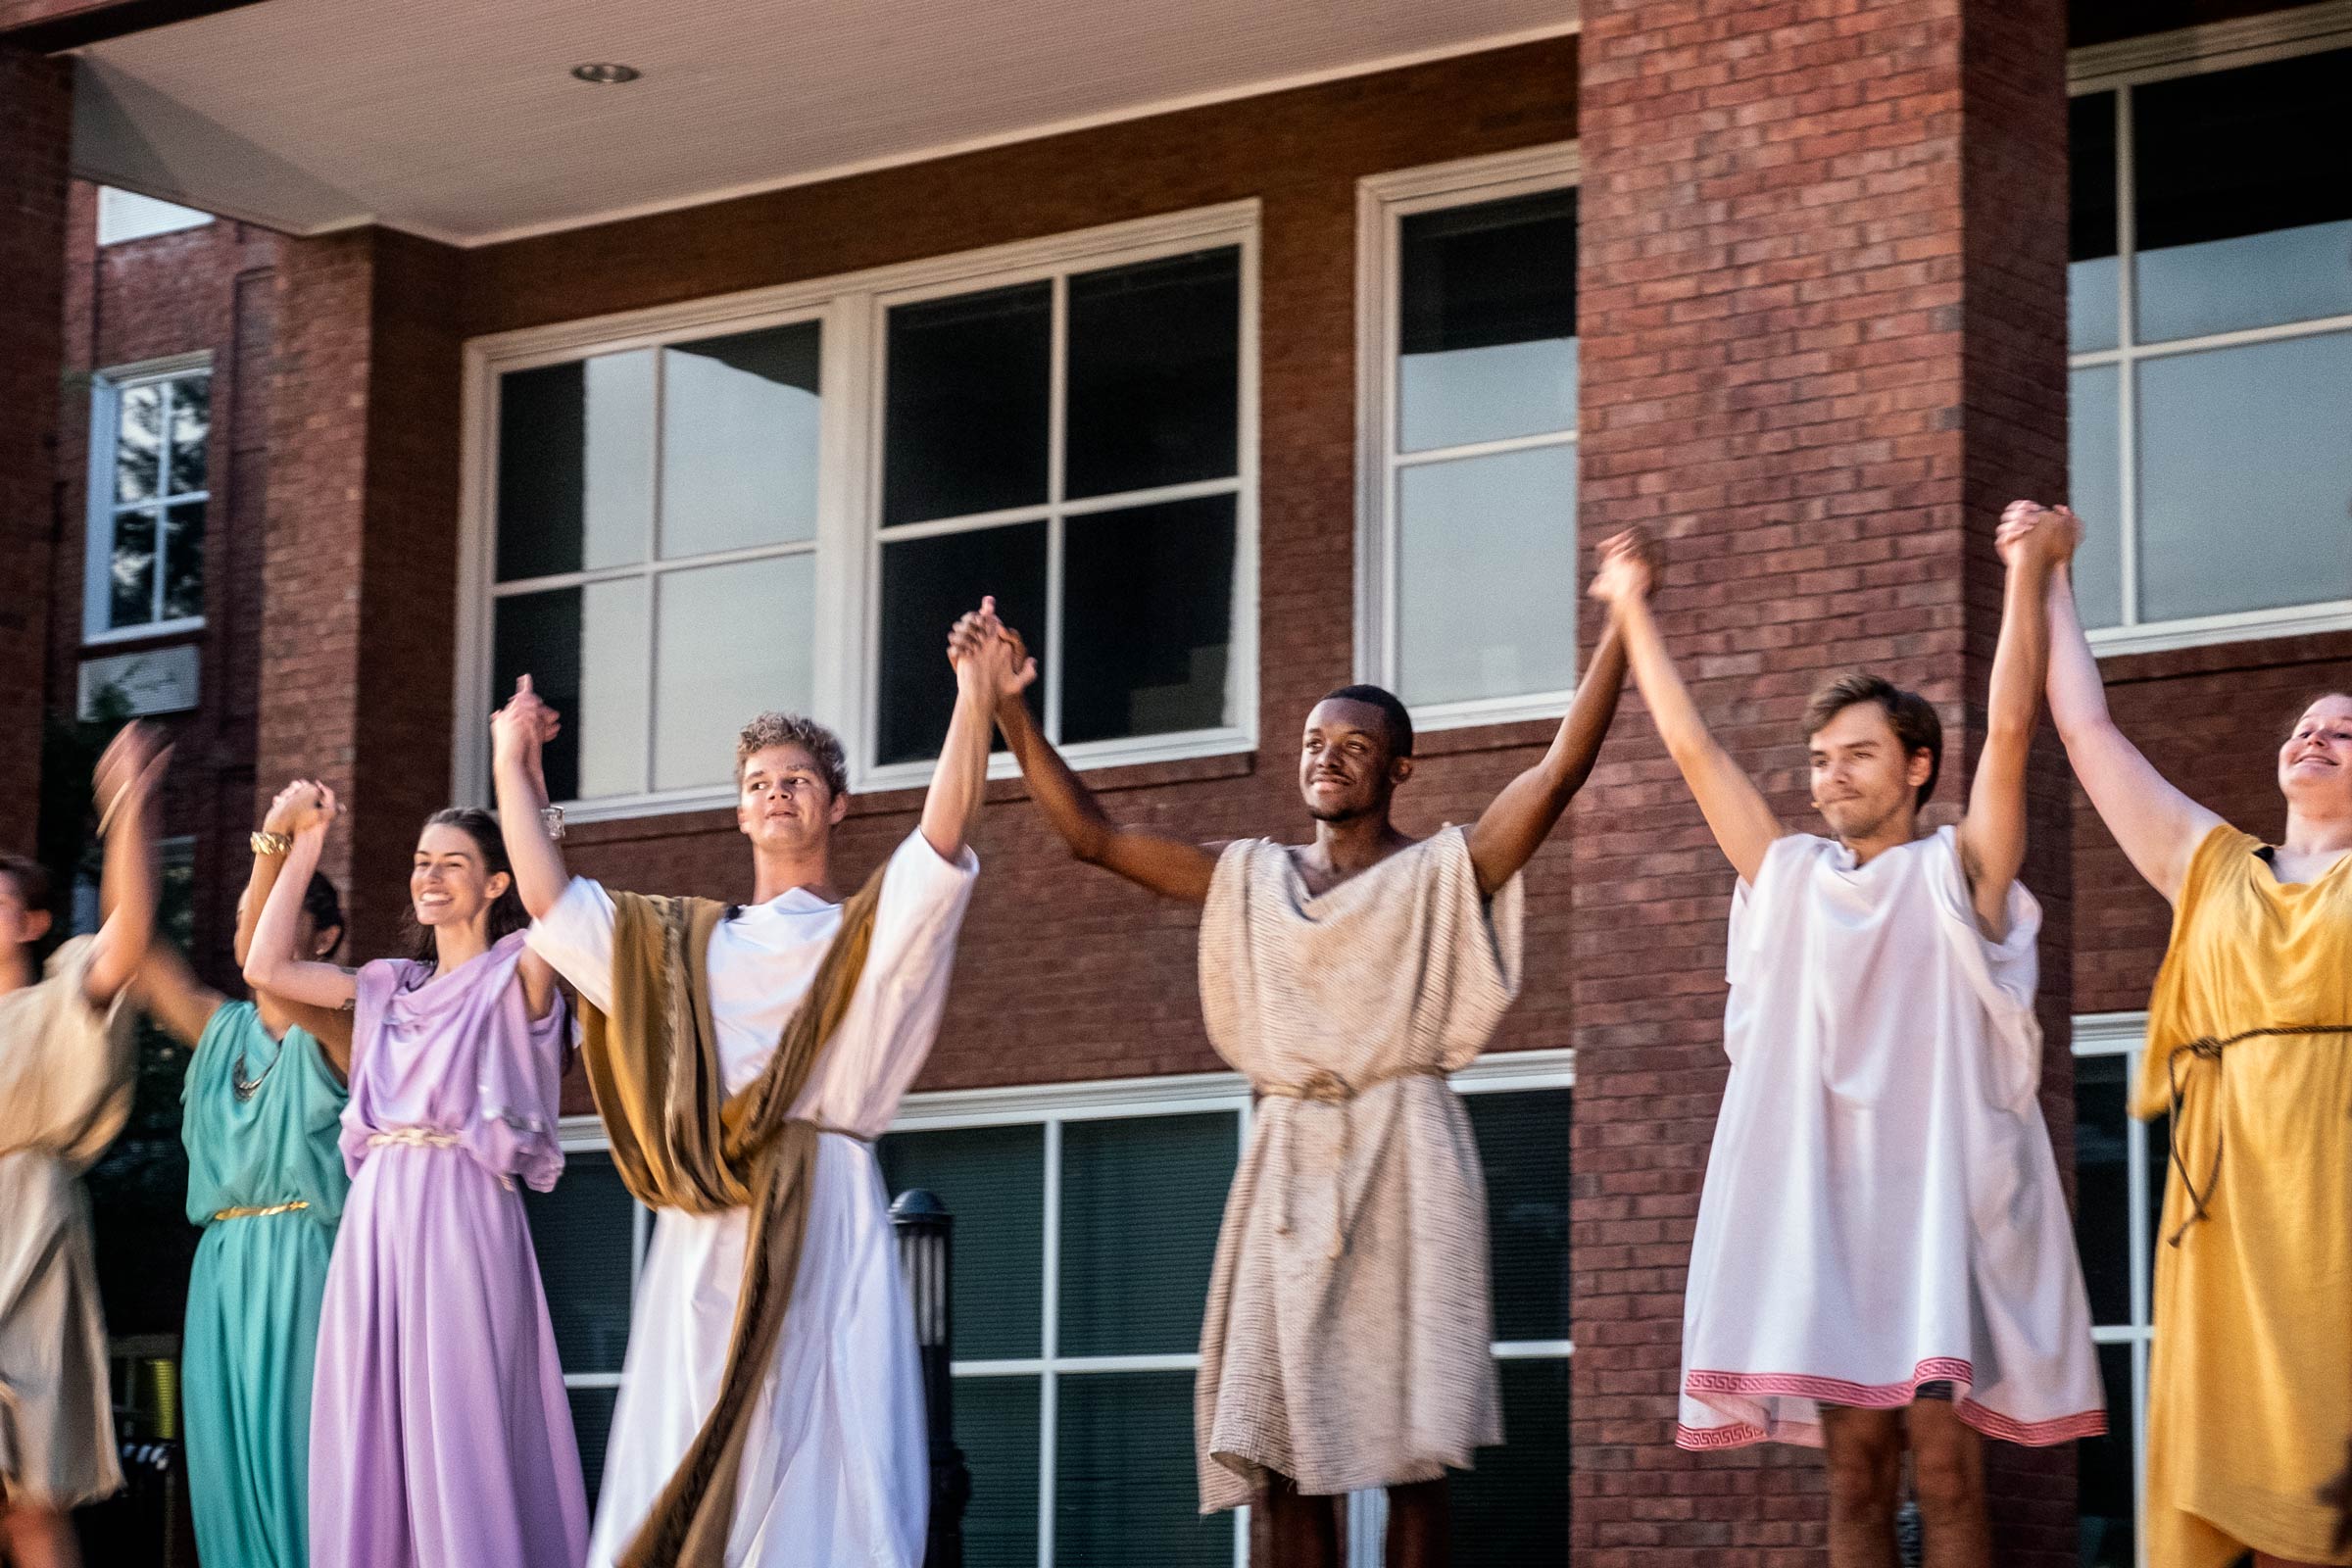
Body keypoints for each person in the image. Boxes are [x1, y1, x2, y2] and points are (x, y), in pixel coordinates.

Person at [983, 569, 1636, 1567]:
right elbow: (1093, 838)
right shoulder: (1250, 878)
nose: (1327, 761)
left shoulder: (1442, 873)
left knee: (1412, 1448)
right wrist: (1010, 709)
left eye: (1355, 748)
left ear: (1400, 769)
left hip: (1406, 1153)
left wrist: (1623, 626)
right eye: (1313, 745)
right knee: (1281, 1448)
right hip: (1292, 1160)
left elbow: (1554, 775)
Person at [1590, 510, 2103, 1568]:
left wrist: (2025, 569)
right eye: (1821, 760)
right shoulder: (1787, 881)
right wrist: (1632, 608)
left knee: (1950, 1473)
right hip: (1822, 1219)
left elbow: (2010, 731)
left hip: (1934, 1211)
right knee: (1855, 1474)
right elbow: (1691, 747)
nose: (1830, 777)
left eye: (1858, 756)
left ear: (1917, 766)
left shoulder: (1959, 875)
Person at [489, 600, 1019, 1567]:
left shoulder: (865, 936)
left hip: (826, 1218)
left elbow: (941, 843)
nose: (778, 794)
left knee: (836, 1459)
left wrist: (972, 701)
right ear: (739, 808)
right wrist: (511, 762)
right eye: (760, 782)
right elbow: (546, 900)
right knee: (685, 1445)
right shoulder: (682, 949)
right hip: (706, 1229)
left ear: (837, 804)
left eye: (800, 781)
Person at [2027, 498, 2352, 1568]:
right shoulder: (2211, 864)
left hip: (2334, 1188)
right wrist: (2054, 576)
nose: (2317, 733)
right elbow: (2087, 730)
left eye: (2348, 727)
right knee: (2226, 1470)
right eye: (2306, 722)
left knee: (2328, 1471)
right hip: (2225, 1197)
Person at [243, 787, 584, 1568]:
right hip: (377, 1216)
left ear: (496, 884)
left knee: (461, 1411)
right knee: (373, 1416)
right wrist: (303, 843)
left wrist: (524, 785)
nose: (430, 877)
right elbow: (264, 965)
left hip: (464, 1205)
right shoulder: (387, 984)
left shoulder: (519, 970)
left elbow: (559, 912)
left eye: (453, 864)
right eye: (423, 863)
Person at [131, 778, 354, 1568]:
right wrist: (130, 813)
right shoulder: (217, 1030)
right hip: (220, 1269)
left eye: (273, 917)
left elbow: (266, 968)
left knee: (302, 1465)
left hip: (307, 1261)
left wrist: (276, 837)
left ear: (322, 940)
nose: (249, 931)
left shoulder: (341, 1025)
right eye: (243, 919)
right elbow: (135, 949)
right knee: (225, 1475)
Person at [0, 724, 164, 1568]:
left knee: (31, 1498)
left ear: (31, 920)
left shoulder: (63, 990)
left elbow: (128, 934)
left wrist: (126, 807)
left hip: (30, 1236)